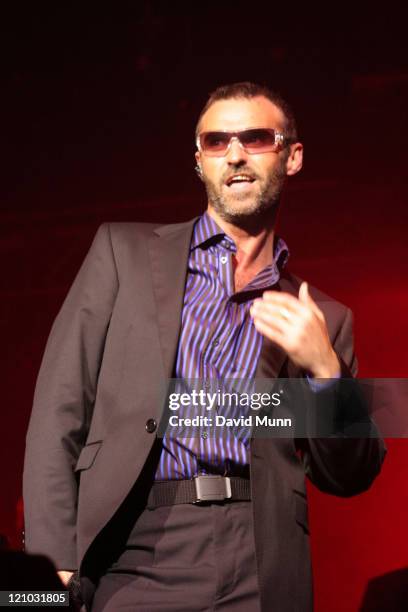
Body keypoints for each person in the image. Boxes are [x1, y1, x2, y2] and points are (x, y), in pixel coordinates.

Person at [23, 82, 386, 611]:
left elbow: (351, 474)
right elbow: (60, 410)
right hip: (135, 547)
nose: (235, 154)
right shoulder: (123, 255)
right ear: (199, 162)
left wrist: (326, 370)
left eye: (256, 138)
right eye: (216, 142)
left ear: (293, 157)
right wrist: (54, 556)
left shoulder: (322, 317)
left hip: (259, 557)